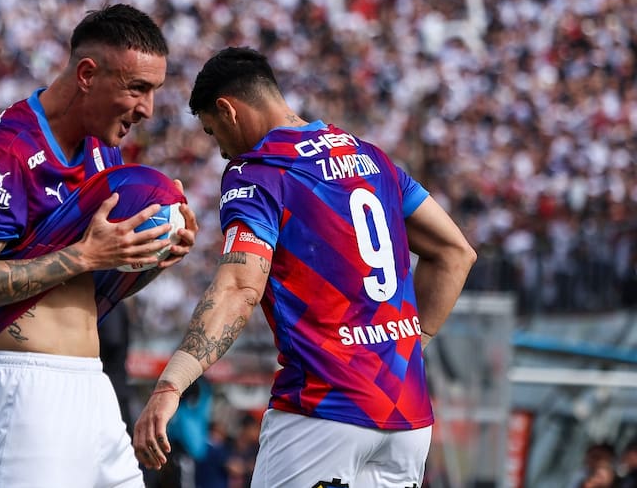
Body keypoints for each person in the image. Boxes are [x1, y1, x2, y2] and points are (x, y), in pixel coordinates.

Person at [133, 47, 477, 487]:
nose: (220, 150)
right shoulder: (372, 158)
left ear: (228, 110)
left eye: (213, 132)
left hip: (323, 409)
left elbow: (240, 288)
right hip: (406, 416)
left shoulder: (259, 171)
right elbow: (455, 253)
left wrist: (171, 384)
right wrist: (410, 345)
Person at [0, 4, 197, 488]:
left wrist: (152, 256)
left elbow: (91, 287)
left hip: (93, 386)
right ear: (87, 74)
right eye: (137, 88)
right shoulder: (7, 150)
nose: (147, 109)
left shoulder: (104, 150)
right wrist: (85, 255)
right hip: (25, 392)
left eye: (154, 91)